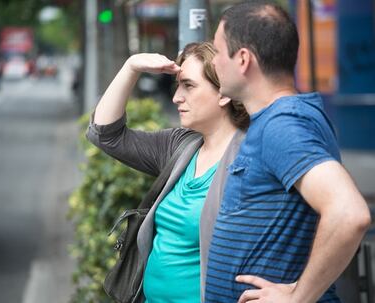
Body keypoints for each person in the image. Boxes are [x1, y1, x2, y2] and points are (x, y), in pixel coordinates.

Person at [204, 1, 372, 303]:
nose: (214, 62)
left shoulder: (281, 126)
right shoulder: (280, 119)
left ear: (243, 59)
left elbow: (350, 214)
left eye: (217, 52)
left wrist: (298, 297)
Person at [86, 42, 249, 302]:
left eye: (189, 85)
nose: (176, 97)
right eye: (178, 86)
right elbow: (105, 135)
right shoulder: (181, 145)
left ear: (224, 93)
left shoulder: (249, 160)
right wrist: (132, 66)